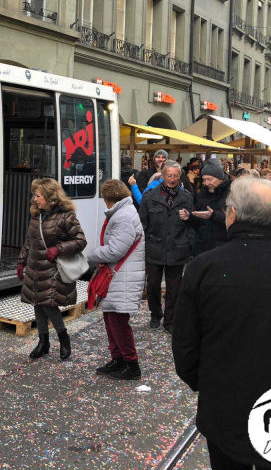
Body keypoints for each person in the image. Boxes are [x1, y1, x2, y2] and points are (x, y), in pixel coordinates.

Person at [172, 178, 271, 470]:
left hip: (225, 405)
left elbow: (185, 344)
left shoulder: (203, 269)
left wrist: (204, 382)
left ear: (232, 215)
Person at [17, 177, 87, 361]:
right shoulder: (36, 215)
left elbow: (80, 241)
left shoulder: (66, 216)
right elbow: (30, 241)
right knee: (38, 304)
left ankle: (64, 339)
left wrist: (58, 249)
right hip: (35, 267)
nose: (35, 199)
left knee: (49, 305)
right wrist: (21, 260)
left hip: (53, 269)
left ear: (50, 197)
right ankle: (43, 342)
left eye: (38, 195)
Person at [85, 180, 145, 380]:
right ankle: (118, 359)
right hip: (120, 276)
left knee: (118, 321)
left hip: (123, 276)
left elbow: (115, 250)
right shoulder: (124, 213)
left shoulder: (124, 216)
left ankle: (131, 363)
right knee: (111, 319)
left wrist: (91, 255)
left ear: (109, 198)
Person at [138, 160, 194, 333]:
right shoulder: (150, 196)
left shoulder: (186, 197)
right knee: (153, 285)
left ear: (180, 176)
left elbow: (192, 224)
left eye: (175, 176)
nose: (172, 179)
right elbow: (142, 224)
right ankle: (156, 314)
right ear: (162, 176)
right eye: (169, 176)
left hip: (178, 249)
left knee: (174, 289)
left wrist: (189, 223)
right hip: (155, 247)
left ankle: (170, 320)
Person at [185, 160, 231, 255]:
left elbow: (235, 220)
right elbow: (198, 222)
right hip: (202, 247)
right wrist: (189, 217)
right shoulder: (202, 194)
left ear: (220, 178)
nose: (206, 183)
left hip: (223, 247)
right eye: (204, 179)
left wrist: (213, 215)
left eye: (210, 179)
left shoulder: (231, 194)